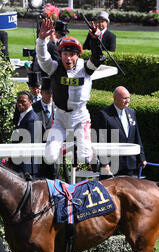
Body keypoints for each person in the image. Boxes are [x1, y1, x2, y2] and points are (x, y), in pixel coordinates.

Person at [36, 18, 105, 166]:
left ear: (78, 55)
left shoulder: (85, 68)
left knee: (84, 158)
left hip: (80, 118)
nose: (68, 58)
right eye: (65, 54)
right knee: (49, 157)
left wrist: (95, 39)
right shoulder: (54, 68)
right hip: (60, 118)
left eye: (72, 54)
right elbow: (42, 58)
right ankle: (67, 150)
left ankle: (92, 157)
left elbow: (98, 58)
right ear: (60, 54)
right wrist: (41, 39)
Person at [94, 86, 147, 179]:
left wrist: (141, 157)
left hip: (129, 164)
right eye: (124, 98)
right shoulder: (104, 114)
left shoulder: (131, 112)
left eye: (128, 98)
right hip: (111, 166)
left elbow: (136, 136)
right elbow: (100, 140)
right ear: (115, 98)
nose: (127, 101)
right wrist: (104, 163)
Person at [11, 91, 40, 178]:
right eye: (18, 101)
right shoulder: (21, 115)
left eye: (23, 101)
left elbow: (30, 144)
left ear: (30, 102)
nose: (19, 104)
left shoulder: (32, 119)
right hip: (20, 164)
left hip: (27, 168)